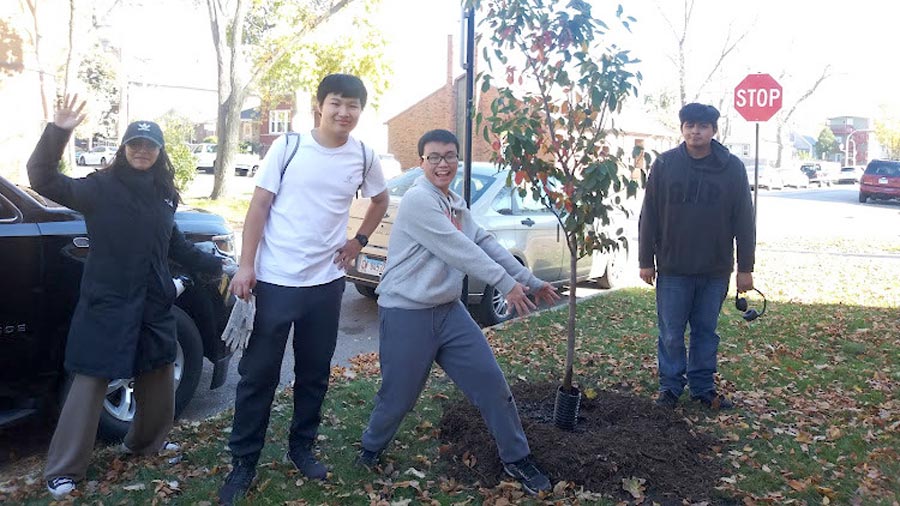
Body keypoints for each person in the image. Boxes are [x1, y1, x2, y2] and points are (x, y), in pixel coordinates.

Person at [28, 95, 224, 500]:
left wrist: (217, 265)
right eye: (135, 144)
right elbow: (42, 177)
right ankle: (63, 469)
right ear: (124, 148)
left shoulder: (164, 195)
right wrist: (59, 131)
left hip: (153, 301)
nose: (142, 150)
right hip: (108, 300)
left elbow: (176, 244)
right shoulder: (99, 188)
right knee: (91, 379)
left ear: (159, 152)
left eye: (150, 145)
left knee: (158, 371)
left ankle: (147, 442)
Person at [356, 129, 560, 496]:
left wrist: (529, 280)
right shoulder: (420, 200)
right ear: (421, 162)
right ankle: (370, 448)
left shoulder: (453, 202)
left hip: (449, 313)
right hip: (407, 312)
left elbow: (483, 242)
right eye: (434, 156)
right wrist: (504, 284)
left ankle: (516, 458)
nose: (443, 163)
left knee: (491, 384)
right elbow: (459, 251)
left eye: (449, 156)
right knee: (398, 396)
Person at [218, 73, 389, 505]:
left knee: (314, 374)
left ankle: (302, 447)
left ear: (360, 112)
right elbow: (259, 206)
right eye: (336, 103)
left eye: (352, 105)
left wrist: (359, 241)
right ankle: (243, 462)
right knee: (257, 376)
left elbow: (380, 200)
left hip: (327, 286)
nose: (344, 112)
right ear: (320, 105)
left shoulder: (364, 156)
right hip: (275, 282)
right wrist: (246, 265)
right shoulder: (289, 147)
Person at [637, 103, 756, 410]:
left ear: (713, 130)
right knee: (672, 333)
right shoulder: (665, 165)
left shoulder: (731, 168)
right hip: (673, 267)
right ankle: (670, 387)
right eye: (689, 125)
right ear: (682, 129)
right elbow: (648, 214)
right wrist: (645, 260)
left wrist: (746, 268)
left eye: (702, 126)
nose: (695, 131)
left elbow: (744, 219)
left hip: (715, 269)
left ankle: (702, 387)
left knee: (705, 332)